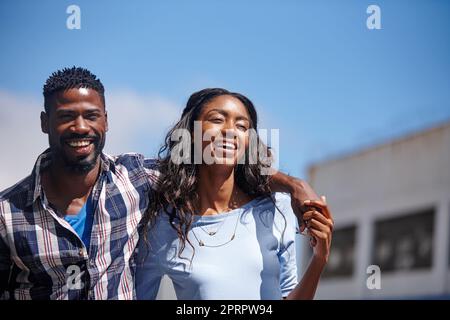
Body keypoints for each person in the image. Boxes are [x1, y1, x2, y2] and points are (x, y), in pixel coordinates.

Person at [0, 68, 326, 300]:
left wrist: (295, 186)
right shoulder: (7, 214)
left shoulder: (134, 178)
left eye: (92, 116)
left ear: (106, 121)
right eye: (66, 116)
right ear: (45, 122)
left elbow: (221, 166)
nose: (80, 127)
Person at [135, 88, 333, 300]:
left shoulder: (276, 208)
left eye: (241, 126)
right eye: (218, 119)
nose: (230, 131)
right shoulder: (164, 225)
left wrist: (319, 259)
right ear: (191, 133)